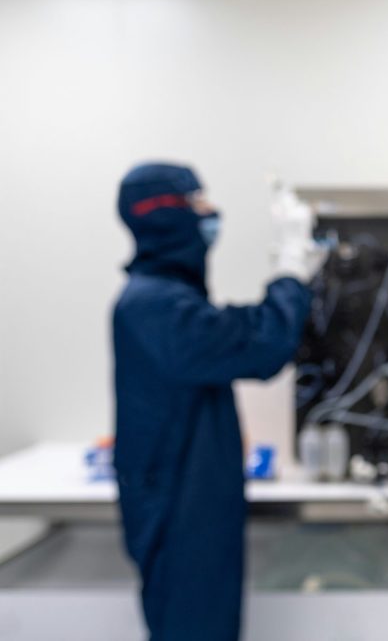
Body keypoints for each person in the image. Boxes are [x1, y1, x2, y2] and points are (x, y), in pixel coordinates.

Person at [112, 163, 325, 640]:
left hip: (191, 507)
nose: (212, 213)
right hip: (181, 518)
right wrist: (289, 269)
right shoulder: (153, 306)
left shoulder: (167, 301)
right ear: (164, 213)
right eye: (198, 202)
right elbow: (260, 342)